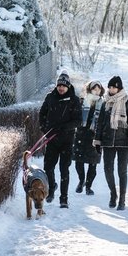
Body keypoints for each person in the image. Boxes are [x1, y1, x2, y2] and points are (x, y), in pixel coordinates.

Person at [93, 75, 128, 210]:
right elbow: (100, 123)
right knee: (108, 170)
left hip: (124, 142)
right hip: (107, 141)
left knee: (122, 171)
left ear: (119, 88)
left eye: (114, 87)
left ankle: (122, 200)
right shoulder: (105, 103)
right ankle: (113, 194)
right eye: (110, 87)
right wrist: (97, 141)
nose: (111, 89)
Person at [39, 71, 82, 208]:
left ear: (68, 86)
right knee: (48, 167)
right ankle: (52, 188)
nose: (61, 88)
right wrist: (44, 129)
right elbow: (42, 114)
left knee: (64, 169)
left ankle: (64, 198)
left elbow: (78, 121)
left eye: (64, 86)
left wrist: (64, 127)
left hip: (66, 141)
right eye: (59, 85)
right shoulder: (50, 97)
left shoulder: (74, 100)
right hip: (51, 139)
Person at [72, 80, 104, 195]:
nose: (96, 91)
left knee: (93, 164)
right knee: (78, 162)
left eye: (98, 89)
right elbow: (75, 116)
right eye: (94, 89)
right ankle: (81, 181)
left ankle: (88, 186)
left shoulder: (103, 104)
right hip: (81, 135)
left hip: (95, 137)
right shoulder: (82, 102)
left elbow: (104, 121)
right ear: (89, 90)